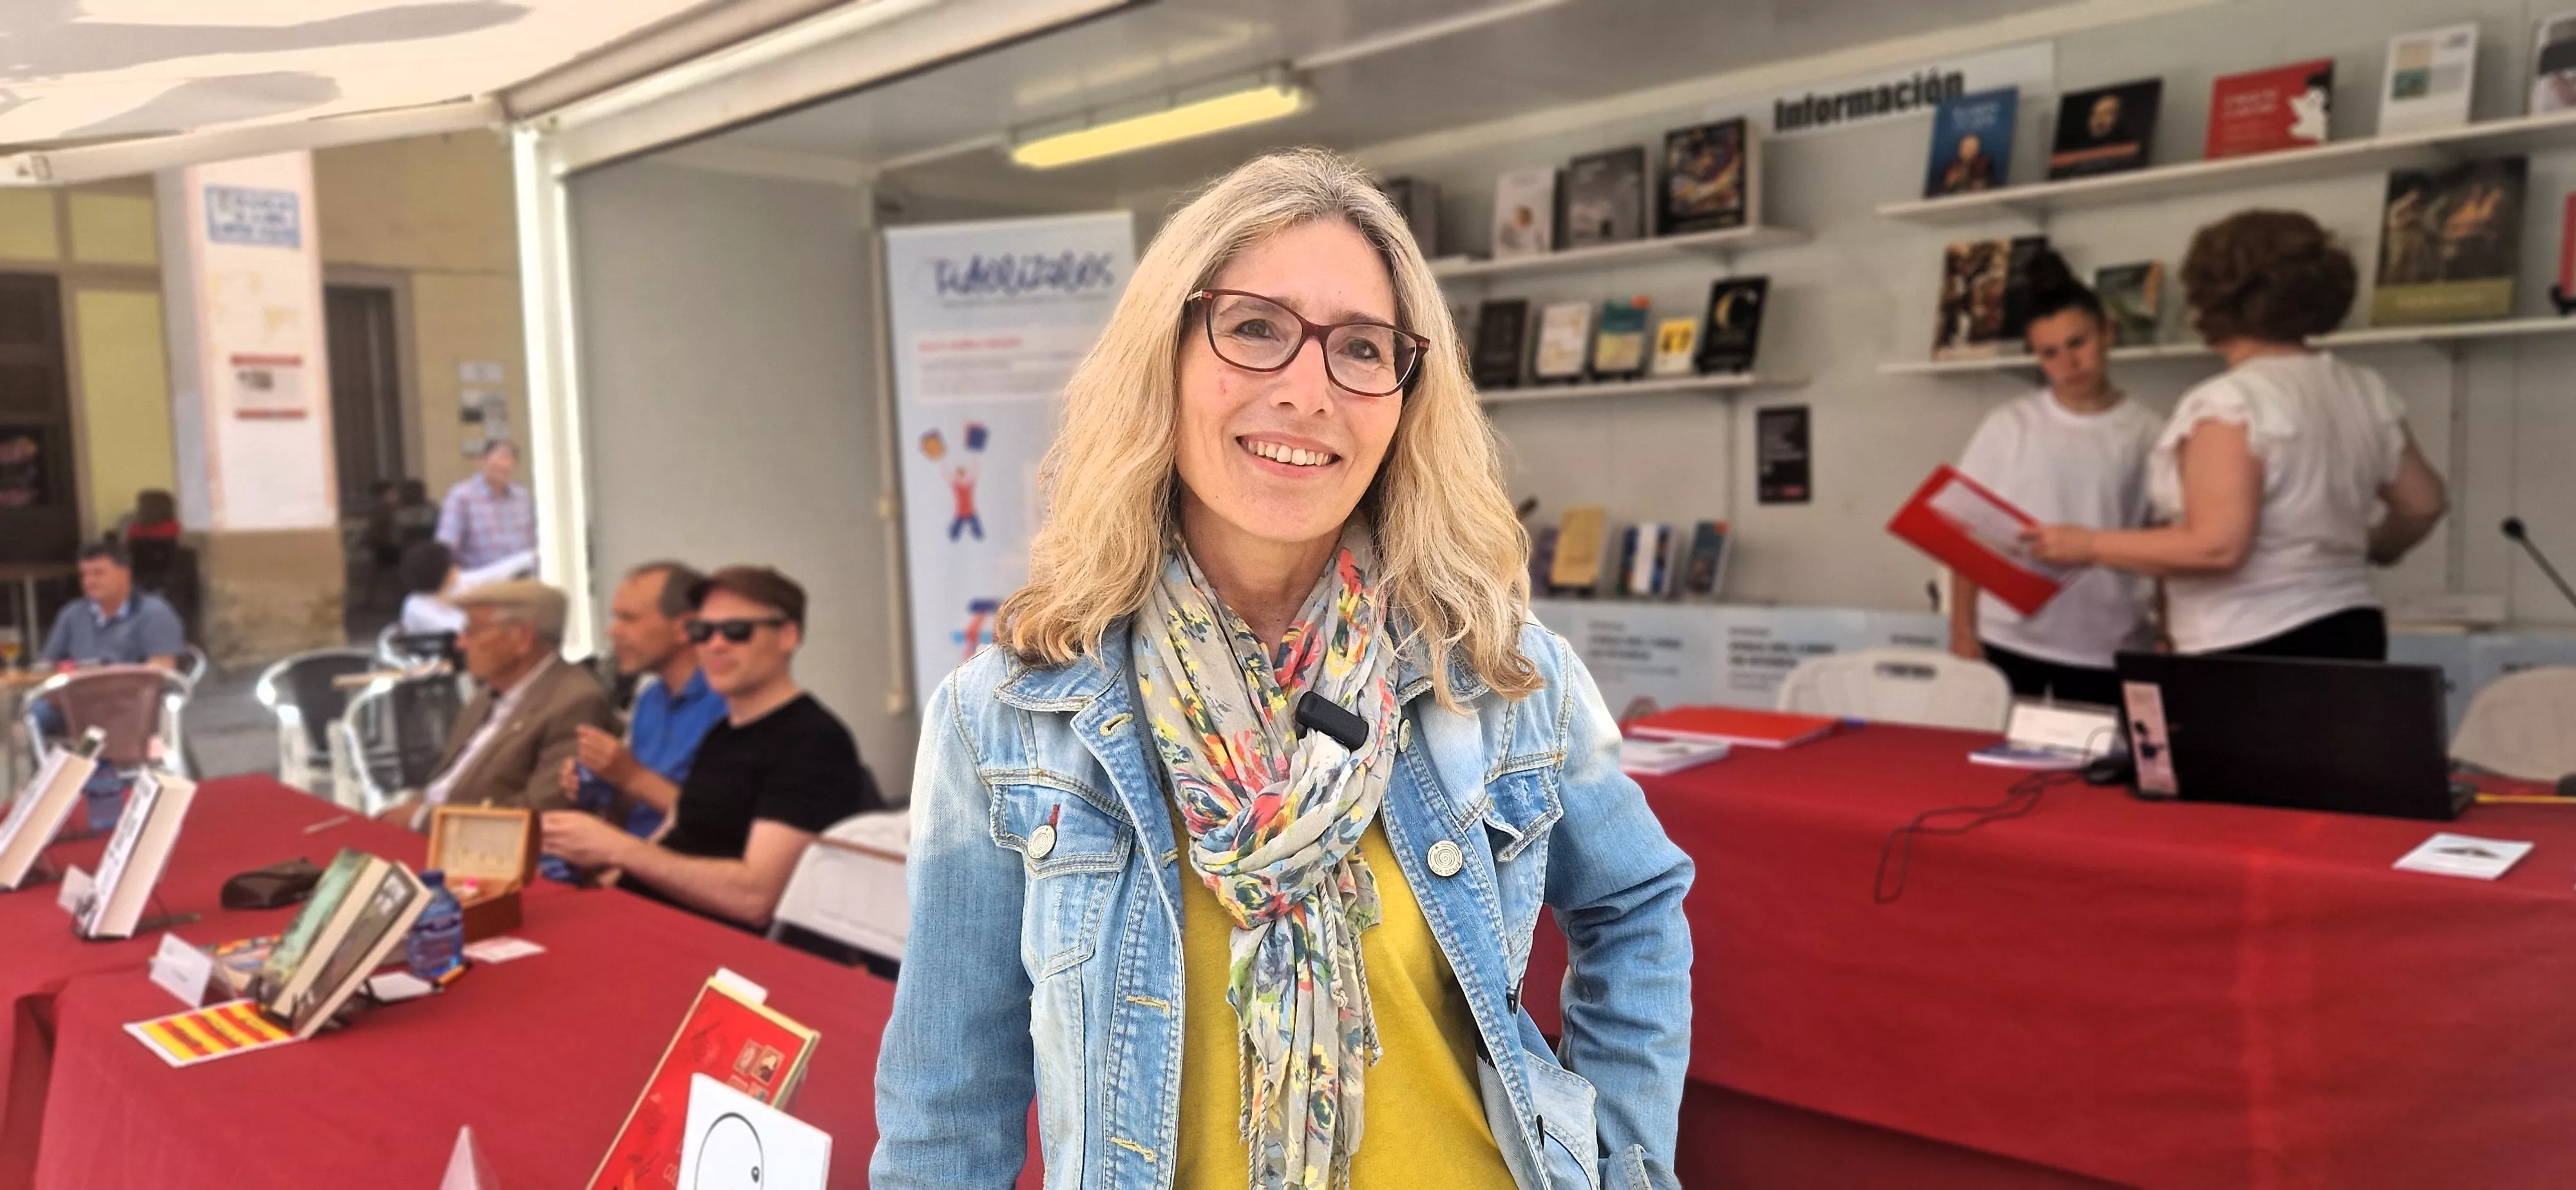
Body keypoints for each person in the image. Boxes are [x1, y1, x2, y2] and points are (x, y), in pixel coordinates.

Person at [871, 149, 1694, 1190]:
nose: (1309, 391)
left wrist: (1623, 1160)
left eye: (1361, 347)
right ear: (1161, 358)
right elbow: (949, 1097)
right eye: (1255, 328)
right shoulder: (1009, 716)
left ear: (1406, 394)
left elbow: (1637, 901)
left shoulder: (1495, 671)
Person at [2027, 210, 2450, 661]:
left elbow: (2218, 547)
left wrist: (2087, 544)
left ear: (2213, 298)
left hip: (2250, 641)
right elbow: (2423, 503)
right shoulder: (2362, 388)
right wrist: (2373, 548)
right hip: (2353, 627)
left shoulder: (2232, 403)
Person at [539, 566, 883, 930]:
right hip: (651, 919)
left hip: (713, 949)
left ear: (788, 636)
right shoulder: (724, 731)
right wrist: (595, 864)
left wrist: (617, 848)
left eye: (738, 631)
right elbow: (676, 836)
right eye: (702, 632)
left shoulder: (812, 740)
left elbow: (756, 899)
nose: (715, 645)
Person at [1949, 251, 2162, 706]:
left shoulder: (2150, 432)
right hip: (2009, 637)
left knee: (2100, 766)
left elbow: (2165, 537)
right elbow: (1964, 531)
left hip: (2110, 640)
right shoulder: (2009, 425)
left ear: (2106, 333)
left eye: (2077, 343)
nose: (2069, 361)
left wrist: (2170, 630)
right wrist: (1962, 631)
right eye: (2050, 353)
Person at [378, 580, 616, 830]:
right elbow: (449, 781)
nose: (460, 643)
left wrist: (422, 820)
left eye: (472, 631)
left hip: (475, 852)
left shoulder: (574, 701)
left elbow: (540, 814)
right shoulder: (489, 693)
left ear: (522, 638)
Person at [553, 560, 724, 839]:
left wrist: (630, 776)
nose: (613, 631)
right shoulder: (650, 700)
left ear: (686, 627)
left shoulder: (730, 706)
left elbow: (723, 824)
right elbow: (632, 807)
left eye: (629, 619)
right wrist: (601, 781)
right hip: (631, 863)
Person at [40, 541, 184, 670]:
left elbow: (161, 670)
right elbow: (47, 665)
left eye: (98, 573)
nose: (89, 582)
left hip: (133, 695)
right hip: (77, 694)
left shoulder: (154, 612)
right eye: (84, 574)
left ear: (125, 573)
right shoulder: (72, 613)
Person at [436, 439, 536, 571]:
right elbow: (447, 545)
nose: (502, 468)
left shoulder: (521, 496)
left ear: (514, 466)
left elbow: (534, 539)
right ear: (481, 461)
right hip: (482, 582)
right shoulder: (461, 496)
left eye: (507, 462)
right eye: (496, 465)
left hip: (522, 579)